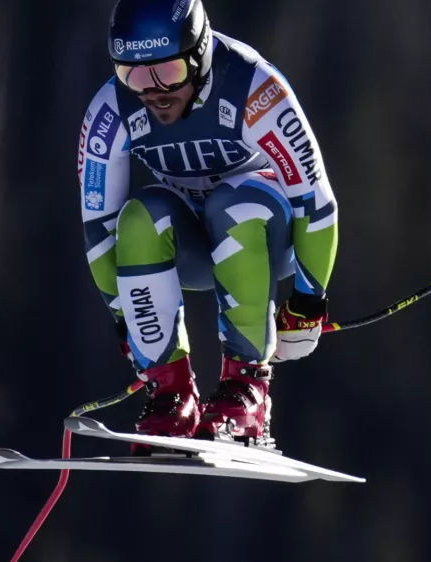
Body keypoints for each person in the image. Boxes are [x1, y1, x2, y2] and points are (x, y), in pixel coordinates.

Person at [77, 0, 338, 453]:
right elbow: (98, 228)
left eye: (168, 73)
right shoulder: (110, 110)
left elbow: (315, 202)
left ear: (199, 55)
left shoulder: (253, 88)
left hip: (266, 236)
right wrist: (127, 318)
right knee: (138, 219)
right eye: (134, 76)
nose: (154, 92)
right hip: (195, 244)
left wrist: (308, 300)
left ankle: (246, 389)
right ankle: (171, 395)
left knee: (234, 204)